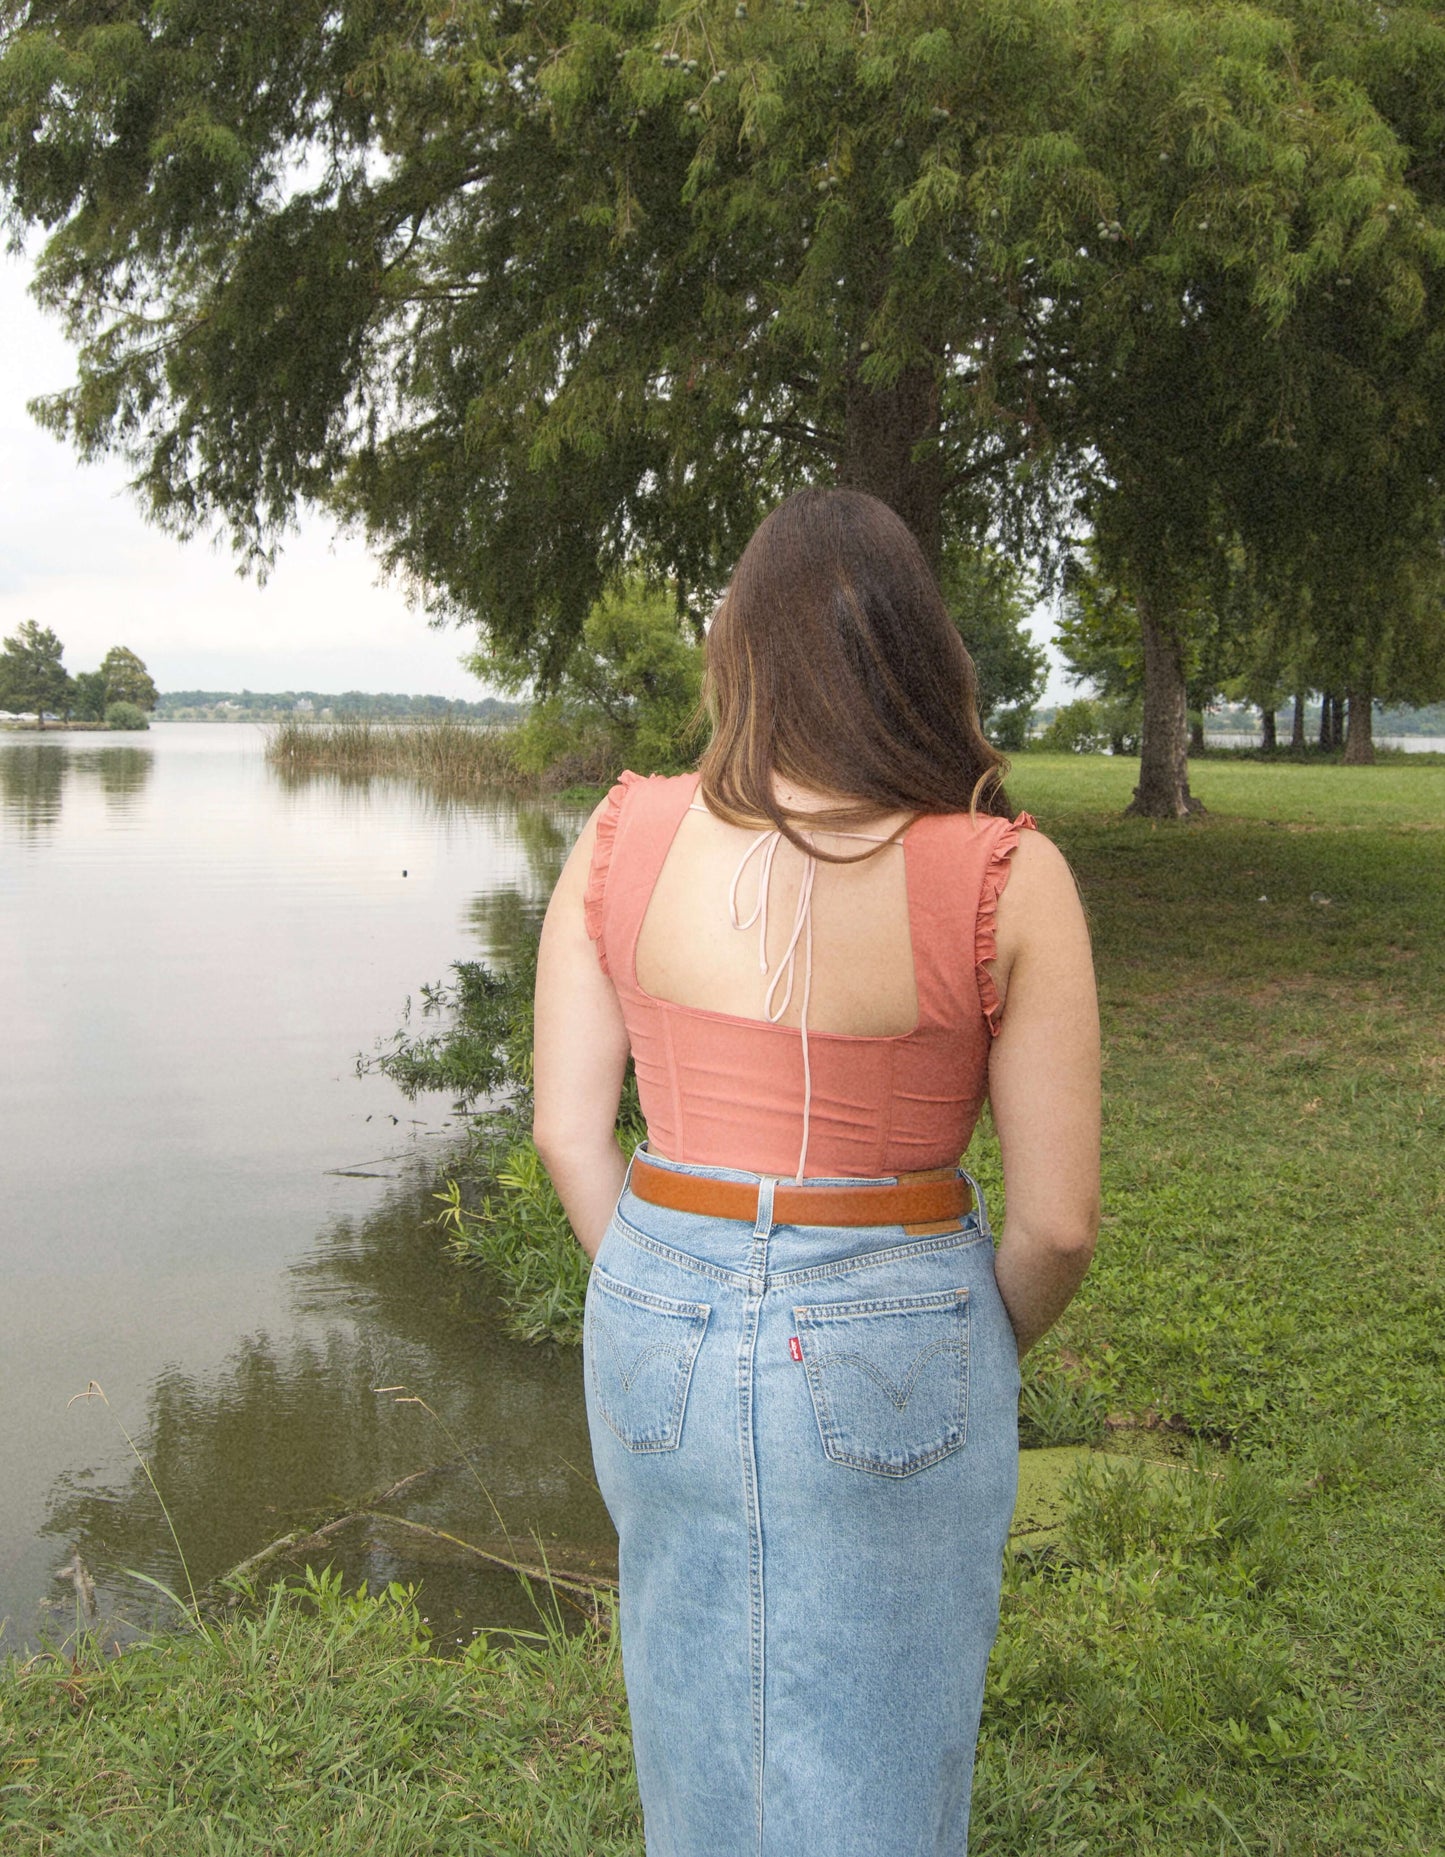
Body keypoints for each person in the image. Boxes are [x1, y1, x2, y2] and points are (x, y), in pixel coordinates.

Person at [533, 487, 1100, 1857]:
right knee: (887, 1751)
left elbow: (566, 1131)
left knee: (696, 1733)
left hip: (657, 1306)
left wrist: (677, 1291)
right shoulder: (1003, 874)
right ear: (921, 655)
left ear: (739, 653)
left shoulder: (620, 834)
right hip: (901, 1313)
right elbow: (1056, 1224)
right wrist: (952, 1333)